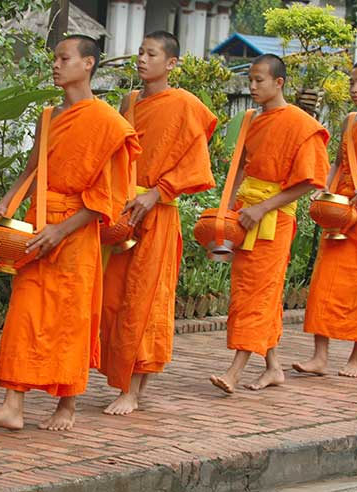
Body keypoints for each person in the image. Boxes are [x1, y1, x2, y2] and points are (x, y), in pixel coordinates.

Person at [0, 35, 140, 431]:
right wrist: (5, 204)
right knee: (24, 313)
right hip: (38, 223)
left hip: (75, 231)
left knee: (70, 317)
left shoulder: (108, 123)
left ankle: (67, 405)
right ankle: (13, 404)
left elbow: (103, 199)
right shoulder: (49, 116)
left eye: (65, 58)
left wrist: (61, 231)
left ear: (89, 64)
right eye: (56, 59)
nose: (57, 65)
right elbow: (32, 168)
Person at [99, 31, 217, 415]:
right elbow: (113, 153)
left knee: (145, 302)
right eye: (140, 52)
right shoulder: (129, 101)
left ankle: (134, 389)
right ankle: (120, 378)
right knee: (113, 299)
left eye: (152, 54)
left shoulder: (183, 103)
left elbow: (195, 159)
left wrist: (158, 192)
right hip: (123, 214)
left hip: (158, 212)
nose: (142, 59)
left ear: (171, 64)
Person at [210, 54, 329, 393]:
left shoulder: (300, 124)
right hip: (247, 214)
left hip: (273, 219)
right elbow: (242, 167)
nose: (252, 86)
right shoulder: (251, 119)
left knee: (257, 294)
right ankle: (274, 366)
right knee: (256, 293)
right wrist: (227, 211)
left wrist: (263, 208)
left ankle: (235, 371)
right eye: (250, 79)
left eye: (259, 80)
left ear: (279, 83)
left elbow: (310, 180)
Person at [294, 60, 357, 378]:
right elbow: (339, 162)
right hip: (340, 209)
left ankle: (356, 357)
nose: (354, 89)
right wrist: (323, 189)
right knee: (324, 282)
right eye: (352, 83)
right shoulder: (350, 121)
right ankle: (320, 355)